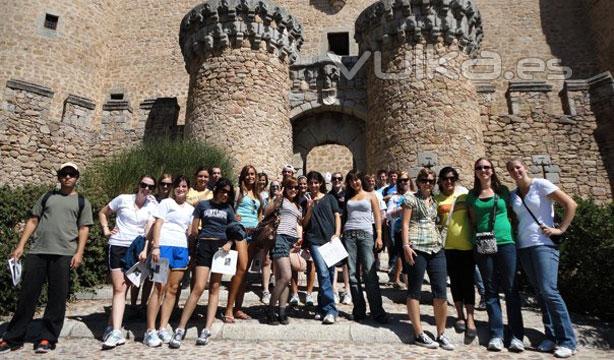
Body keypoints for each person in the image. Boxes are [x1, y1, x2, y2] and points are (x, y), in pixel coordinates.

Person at [0, 162, 93, 355]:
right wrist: (20, 246)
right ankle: (13, 337)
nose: (68, 177)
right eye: (64, 174)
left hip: (64, 253)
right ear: (59, 177)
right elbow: (33, 220)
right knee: (27, 295)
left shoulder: (82, 201)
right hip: (38, 251)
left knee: (57, 298)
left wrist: (79, 252)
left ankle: (47, 338)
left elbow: (84, 228)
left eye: (72, 174)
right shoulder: (47, 197)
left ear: (77, 177)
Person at [507, 159, 577, 358]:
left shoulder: (541, 185)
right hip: (524, 246)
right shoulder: (513, 195)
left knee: (549, 290)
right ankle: (551, 336)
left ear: (525, 168)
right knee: (540, 292)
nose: (516, 171)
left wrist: (560, 229)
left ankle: (567, 341)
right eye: (512, 169)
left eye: (518, 167)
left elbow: (570, 203)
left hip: (543, 245)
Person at [169, 178, 239, 348]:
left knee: (215, 287)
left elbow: (234, 229)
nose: (225, 195)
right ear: (216, 190)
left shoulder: (228, 208)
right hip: (204, 244)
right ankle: (180, 328)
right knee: (199, 287)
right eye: (222, 191)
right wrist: (192, 250)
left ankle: (207, 329)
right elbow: (193, 230)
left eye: (228, 193)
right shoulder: (202, 205)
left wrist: (229, 244)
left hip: (221, 248)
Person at [466, 158, 524, 352]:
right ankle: (496, 334)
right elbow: (473, 220)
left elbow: (511, 213)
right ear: (475, 172)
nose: (483, 170)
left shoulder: (503, 192)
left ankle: (516, 335)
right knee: (490, 289)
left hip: (506, 241)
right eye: (480, 168)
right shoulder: (472, 196)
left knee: (511, 288)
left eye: (487, 167)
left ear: (492, 170)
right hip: (483, 242)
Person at [99, 175, 159, 349]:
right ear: (138, 185)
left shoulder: (152, 205)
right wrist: (106, 229)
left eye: (150, 187)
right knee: (119, 288)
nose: (146, 189)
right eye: (143, 185)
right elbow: (103, 213)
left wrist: (146, 249)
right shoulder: (123, 199)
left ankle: (112, 327)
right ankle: (116, 331)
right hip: (117, 245)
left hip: (136, 249)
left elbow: (150, 229)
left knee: (125, 287)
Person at [401, 168, 454, 351]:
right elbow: (405, 223)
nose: (427, 184)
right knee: (414, 291)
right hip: (416, 247)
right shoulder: (410, 199)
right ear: (418, 181)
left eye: (431, 181)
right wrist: (406, 246)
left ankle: (441, 333)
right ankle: (419, 333)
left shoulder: (435, 200)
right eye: (424, 180)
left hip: (436, 247)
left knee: (440, 292)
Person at [142, 176, 194, 347]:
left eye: (184, 186)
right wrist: (155, 247)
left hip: (181, 249)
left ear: (188, 189)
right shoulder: (165, 203)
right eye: (178, 186)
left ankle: (163, 327)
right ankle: (150, 330)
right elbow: (158, 224)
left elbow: (189, 231)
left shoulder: (191, 209)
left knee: (172, 289)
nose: (181, 189)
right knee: (159, 287)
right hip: (164, 246)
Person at [435, 167, 477, 337]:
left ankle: (471, 318)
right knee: (455, 282)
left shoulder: (464, 196)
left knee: (468, 281)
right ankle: (459, 315)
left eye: (452, 178)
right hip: (447, 247)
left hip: (466, 245)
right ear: (441, 181)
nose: (449, 181)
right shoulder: (436, 199)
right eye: (445, 178)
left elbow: (473, 217)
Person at [343, 171, 387, 323]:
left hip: (366, 235)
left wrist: (379, 236)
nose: (354, 183)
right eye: (351, 181)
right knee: (353, 274)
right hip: (349, 235)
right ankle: (359, 310)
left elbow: (377, 216)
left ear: (361, 180)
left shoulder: (371, 195)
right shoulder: (348, 197)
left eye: (356, 180)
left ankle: (377, 311)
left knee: (370, 272)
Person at [224, 165, 263, 321]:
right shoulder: (238, 191)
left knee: (244, 273)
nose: (250, 177)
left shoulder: (258, 195)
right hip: (240, 232)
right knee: (240, 269)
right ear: (243, 176)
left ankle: (238, 308)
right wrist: (234, 218)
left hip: (254, 234)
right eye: (247, 174)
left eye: (253, 174)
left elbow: (259, 214)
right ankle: (228, 309)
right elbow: (230, 208)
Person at [303, 171, 341, 324]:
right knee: (323, 273)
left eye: (316, 182)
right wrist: (310, 208)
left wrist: (337, 233)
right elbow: (304, 224)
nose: (313, 185)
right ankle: (331, 310)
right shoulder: (306, 201)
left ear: (320, 183)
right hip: (314, 240)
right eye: (311, 183)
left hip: (330, 240)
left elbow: (338, 215)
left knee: (329, 274)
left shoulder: (330, 198)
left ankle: (321, 308)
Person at [265, 177, 303, 325]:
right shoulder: (281, 200)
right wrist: (277, 198)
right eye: (290, 187)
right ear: (285, 188)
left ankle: (281, 311)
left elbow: (299, 224)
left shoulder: (297, 206)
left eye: (295, 188)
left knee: (284, 279)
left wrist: (299, 239)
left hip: (291, 241)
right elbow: (266, 212)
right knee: (286, 276)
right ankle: (270, 309)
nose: (293, 190)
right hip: (280, 238)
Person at [290, 175, 316, 306]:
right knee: (294, 263)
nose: (302, 186)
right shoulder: (293, 199)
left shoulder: (311, 198)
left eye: (305, 184)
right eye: (300, 184)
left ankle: (309, 294)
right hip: (295, 232)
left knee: (311, 263)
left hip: (309, 233)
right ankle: (294, 293)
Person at [385, 172, 412, 288]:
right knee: (405, 261)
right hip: (399, 231)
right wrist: (403, 209)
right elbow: (389, 214)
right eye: (400, 180)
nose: (403, 182)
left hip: (414, 231)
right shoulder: (395, 198)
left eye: (405, 180)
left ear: (409, 181)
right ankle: (409, 288)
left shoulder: (416, 195)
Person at [329, 171, 351, 305]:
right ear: (331, 181)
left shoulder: (347, 195)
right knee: (333, 261)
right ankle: (334, 290)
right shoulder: (329, 196)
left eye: (339, 178)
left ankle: (347, 290)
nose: (337, 180)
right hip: (333, 232)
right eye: (334, 178)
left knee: (346, 262)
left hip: (347, 230)